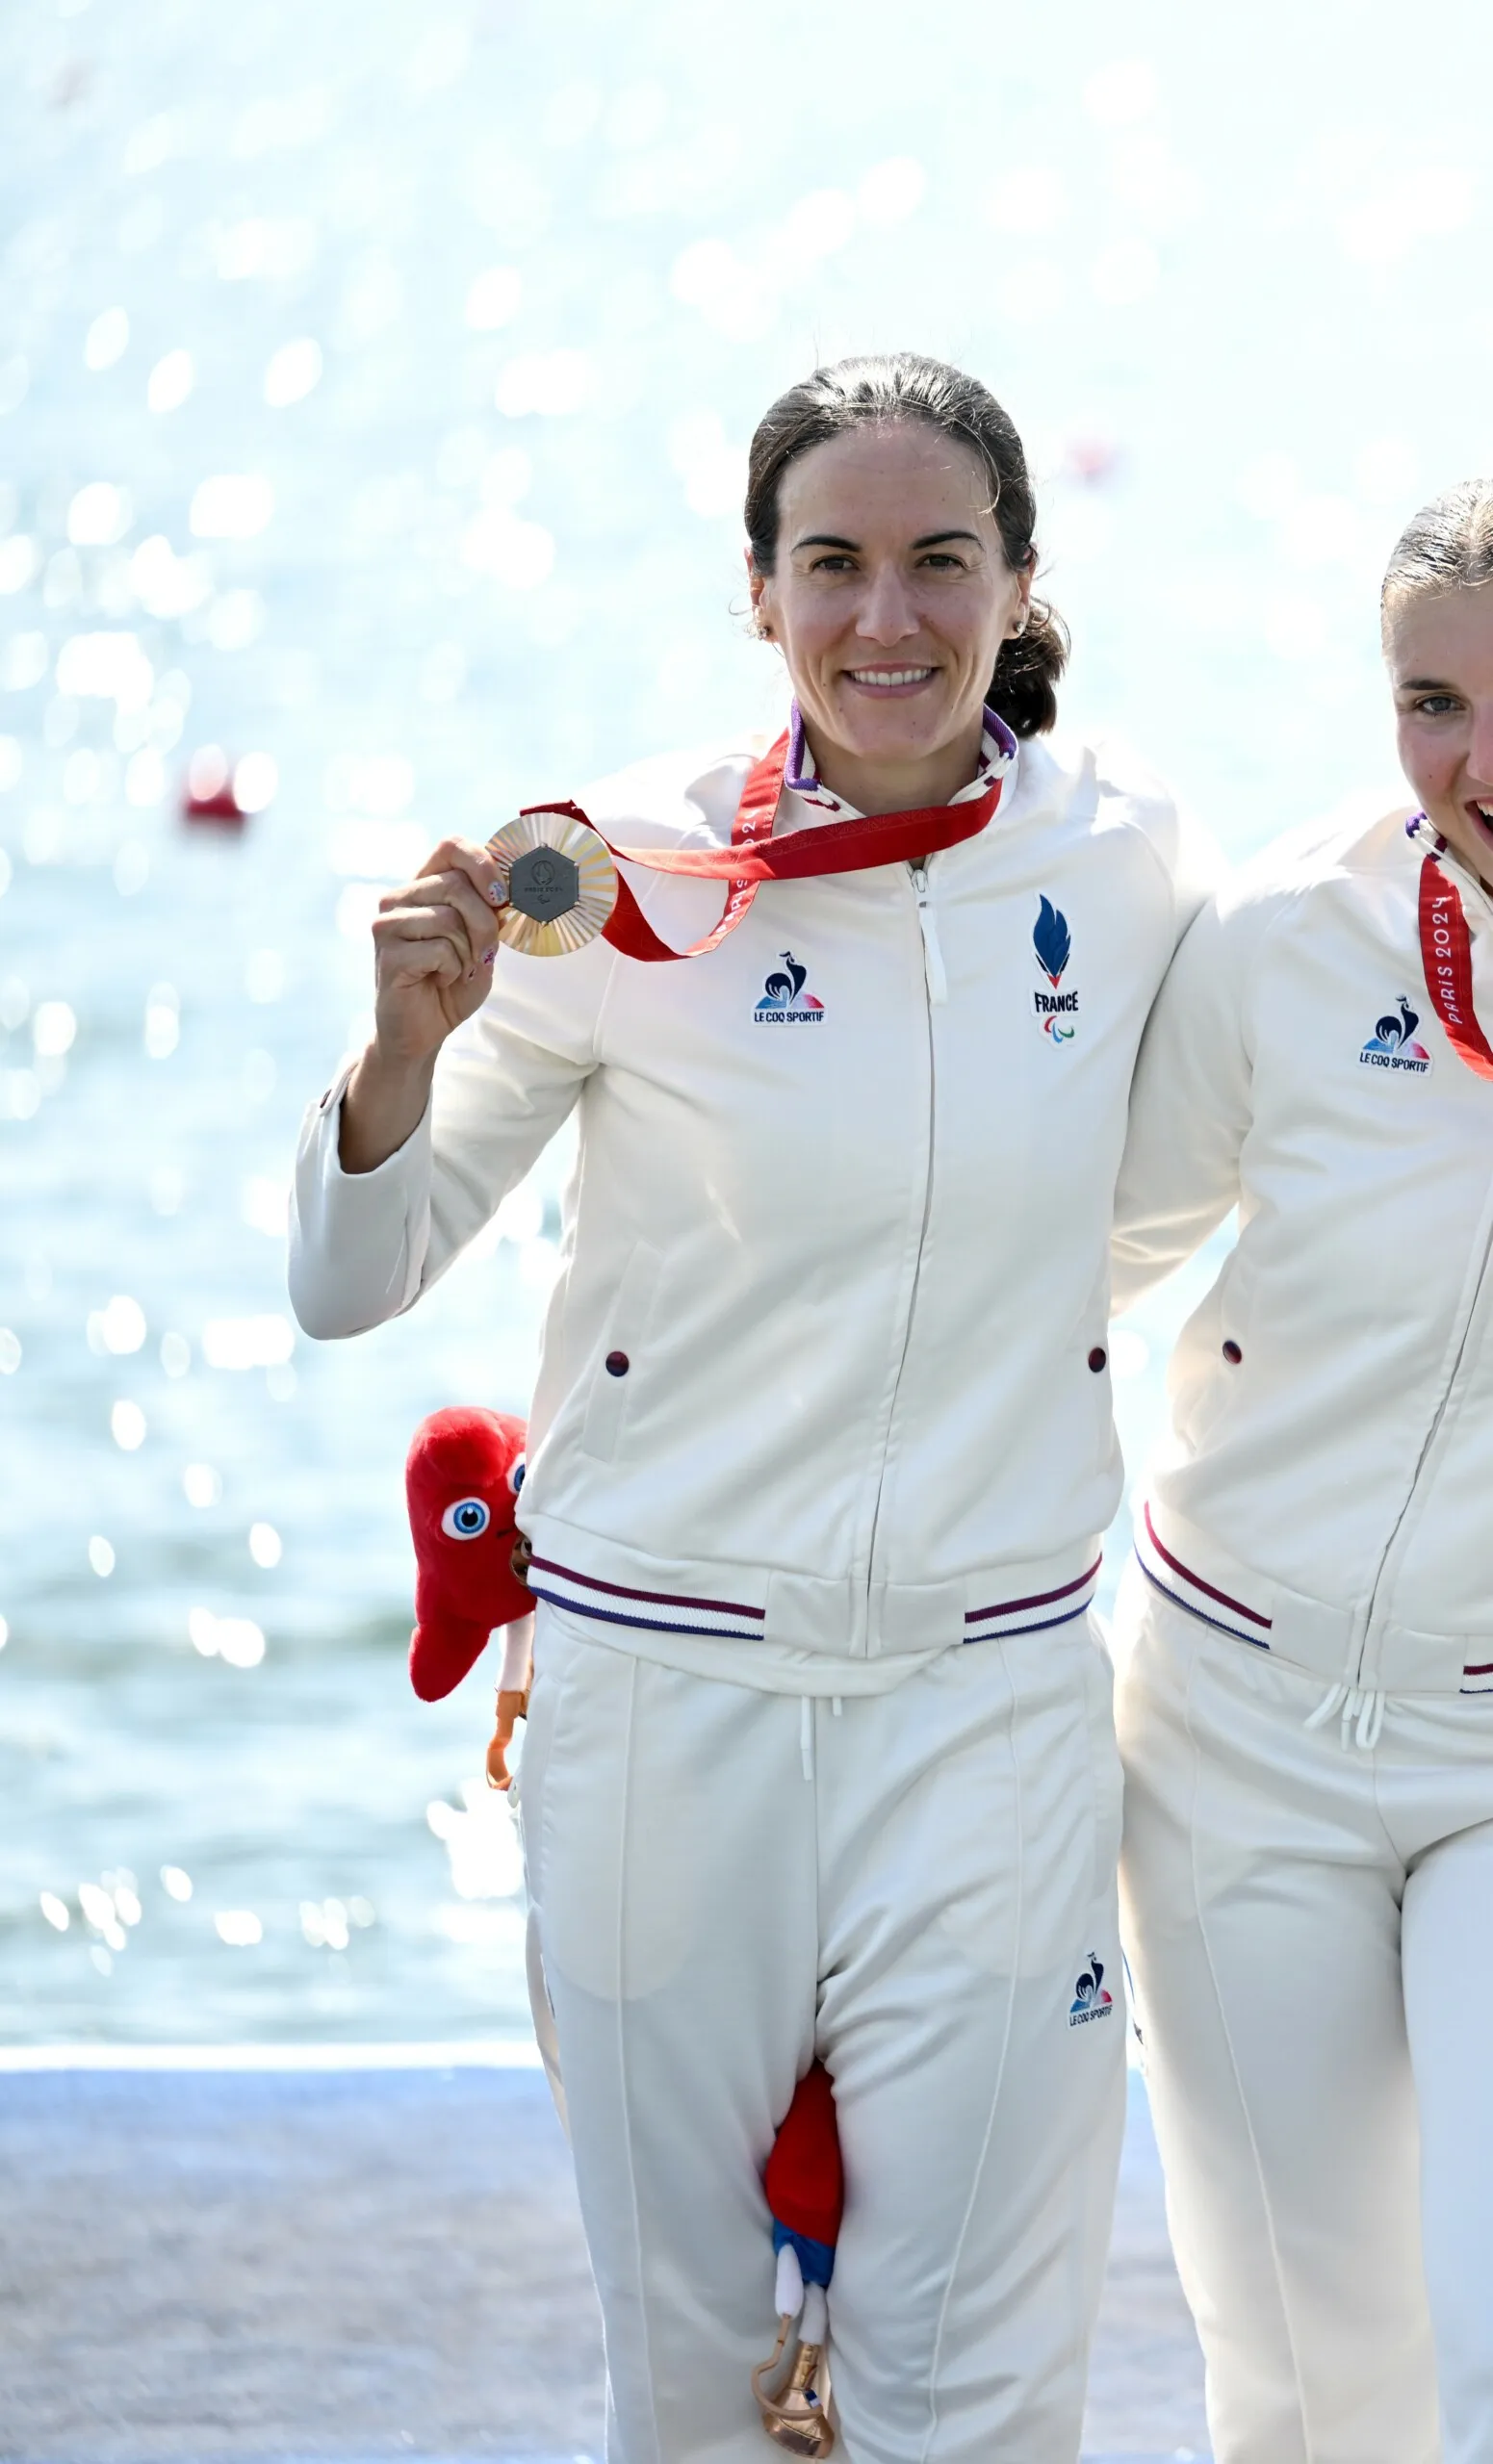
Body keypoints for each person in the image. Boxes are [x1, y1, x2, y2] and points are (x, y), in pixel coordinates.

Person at [289, 351, 1212, 2463]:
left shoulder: (1134, 849)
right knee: (693, 2389)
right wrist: (397, 1054)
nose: (886, 617)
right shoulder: (614, 875)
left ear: (1018, 575)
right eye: (834, 563)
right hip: (657, 1704)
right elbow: (351, 1277)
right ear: (757, 590)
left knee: (970, 2403)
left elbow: (1164, 1192)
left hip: (986, 1705)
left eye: (937, 560)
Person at [1111, 478, 1493, 2464]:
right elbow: (1063, 1273)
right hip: (1234, 1740)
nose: (1475, 763)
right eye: (1432, 700)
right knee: (1302, 2387)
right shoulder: (1281, 936)